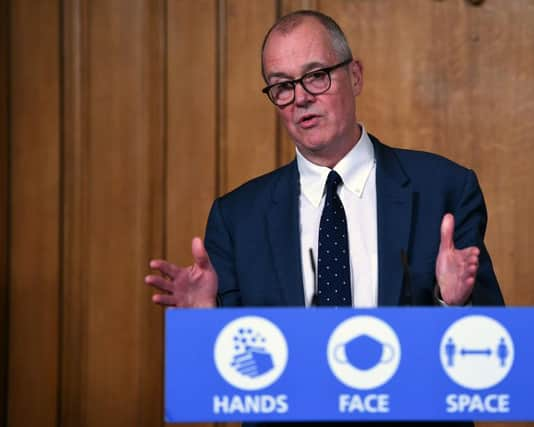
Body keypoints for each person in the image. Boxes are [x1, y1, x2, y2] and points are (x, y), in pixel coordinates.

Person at [145, 9, 504, 427]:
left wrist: (452, 304)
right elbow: (225, 391)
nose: (300, 97)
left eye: (316, 75)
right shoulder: (237, 217)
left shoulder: (443, 188)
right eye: (282, 86)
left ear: (355, 76)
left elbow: (489, 364)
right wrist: (204, 328)